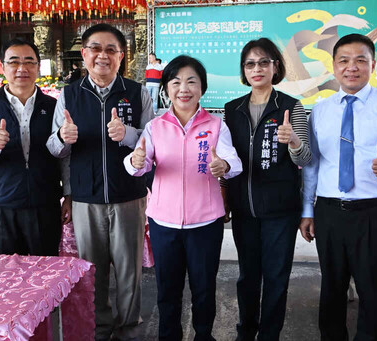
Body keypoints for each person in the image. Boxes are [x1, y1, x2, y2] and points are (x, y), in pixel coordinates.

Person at [300, 33, 377, 340]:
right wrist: (307, 210)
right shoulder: (321, 110)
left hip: (371, 214)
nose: (352, 67)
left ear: (373, 65)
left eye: (360, 60)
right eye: (344, 60)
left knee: (371, 291)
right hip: (329, 212)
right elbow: (312, 164)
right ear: (334, 67)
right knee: (332, 290)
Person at [46, 23, 154, 341]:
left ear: (121, 56)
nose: (102, 55)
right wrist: (63, 138)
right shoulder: (69, 95)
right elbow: (55, 150)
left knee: (129, 272)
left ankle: (129, 329)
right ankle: (100, 328)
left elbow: (153, 140)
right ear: (84, 54)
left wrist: (129, 135)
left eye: (111, 50)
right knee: (93, 271)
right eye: (96, 48)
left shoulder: (136, 93)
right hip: (85, 199)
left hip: (129, 197)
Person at [124, 55, 242, 341]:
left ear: (202, 88)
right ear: (166, 88)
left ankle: (204, 335)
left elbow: (234, 162)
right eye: (176, 82)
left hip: (205, 224)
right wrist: (137, 159)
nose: (184, 88)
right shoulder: (155, 126)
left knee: (204, 290)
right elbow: (137, 166)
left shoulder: (216, 125)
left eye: (192, 81)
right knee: (167, 291)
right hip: (164, 223)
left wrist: (223, 166)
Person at [222, 37, 311, 341]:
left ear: (276, 67)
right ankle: (245, 332)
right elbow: (226, 158)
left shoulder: (290, 107)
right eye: (250, 64)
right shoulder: (231, 109)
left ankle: (269, 335)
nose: (257, 69)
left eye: (264, 62)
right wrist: (224, 197)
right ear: (243, 71)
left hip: (280, 211)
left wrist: (295, 142)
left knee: (276, 278)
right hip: (243, 208)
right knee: (247, 277)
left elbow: (307, 158)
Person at [0, 38, 70, 256]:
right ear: (1, 67)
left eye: (29, 62)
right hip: (5, 206)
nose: (22, 68)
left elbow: (65, 157)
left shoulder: (53, 107)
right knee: (10, 273)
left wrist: (69, 195)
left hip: (46, 205)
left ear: (38, 67)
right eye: (13, 62)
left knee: (45, 274)